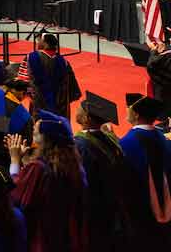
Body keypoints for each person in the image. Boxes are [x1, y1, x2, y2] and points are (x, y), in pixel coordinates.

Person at [6, 111, 89, 251]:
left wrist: (14, 161)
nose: (34, 127)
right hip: (67, 237)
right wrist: (26, 163)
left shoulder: (38, 168)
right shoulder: (74, 166)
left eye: (37, 131)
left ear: (46, 138)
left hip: (43, 238)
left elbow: (16, 197)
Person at [73, 92, 128, 251]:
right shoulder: (111, 140)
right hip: (111, 204)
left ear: (86, 119)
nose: (76, 110)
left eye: (79, 110)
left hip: (92, 208)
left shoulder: (81, 146)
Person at [118, 94, 171, 243]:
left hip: (138, 209)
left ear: (135, 114)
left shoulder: (127, 143)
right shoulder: (164, 139)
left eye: (129, 109)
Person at [21, 33, 82, 118]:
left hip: (39, 100)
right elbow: (71, 85)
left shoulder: (31, 57)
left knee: (39, 125)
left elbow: (23, 79)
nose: (38, 42)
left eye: (40, 41)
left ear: (45, 44)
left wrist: (29, 94)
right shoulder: (63, 61)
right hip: (59, 102)